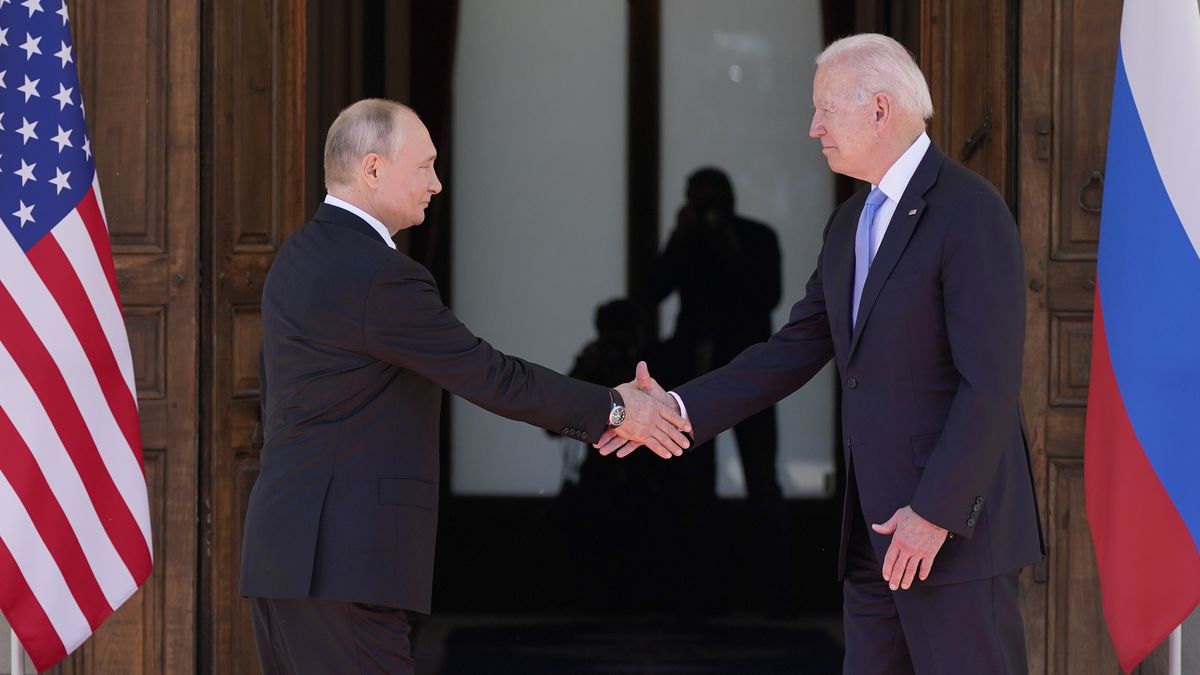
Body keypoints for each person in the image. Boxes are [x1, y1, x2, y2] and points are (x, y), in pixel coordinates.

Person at [600, 34, 1043, 674]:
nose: (813, 129)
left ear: (881, 109)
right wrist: (675, 407)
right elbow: (793, 349)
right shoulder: (849, 224)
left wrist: (935, 514)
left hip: (947, 535)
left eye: (825, 110)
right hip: (870, 537)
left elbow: (990, 385)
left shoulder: (969, 210)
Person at [239, 99, 691, 675]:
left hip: (286, 553)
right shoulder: (381, 275)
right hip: (342, 563)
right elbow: (490, 376)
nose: (436, 182)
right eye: (423, 166)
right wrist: (616, 409)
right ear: (373, 168)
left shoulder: (299, 254)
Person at [648, 167, 789, 611]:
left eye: (712, 202)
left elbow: (768, 295)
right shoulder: (687, 240)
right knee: (692, 484)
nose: (707, 212)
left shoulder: (756, 236)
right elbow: (652, 289)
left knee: (761, 477)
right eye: (699, 202)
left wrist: (728, 244)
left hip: (751, 372)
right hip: (696, 374)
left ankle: (773, 592)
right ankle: (697, 594)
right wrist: (678, 237)